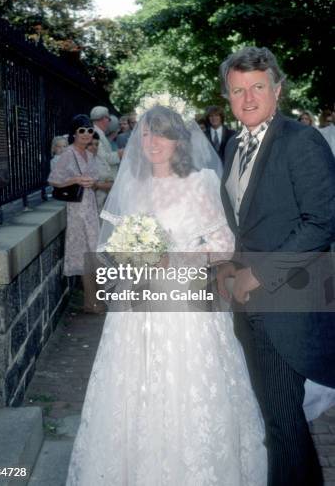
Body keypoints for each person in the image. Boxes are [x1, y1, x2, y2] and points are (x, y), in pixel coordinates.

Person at [66, 102, 267, 485]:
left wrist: (173, 259)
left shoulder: (202, 183)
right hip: (135, 310)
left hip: (186, 308)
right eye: (145, 132)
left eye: (161, 133)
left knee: (185, 397)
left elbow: (225, 245)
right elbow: (112, 247)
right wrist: (131, 255)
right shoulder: (132, 186)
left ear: (178, 139)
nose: (151, 141)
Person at [217, 46, 335, 486]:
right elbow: (244, 225)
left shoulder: (301, 141)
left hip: (289, 308)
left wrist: (258, 274)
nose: (248, 99)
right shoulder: (232, 145)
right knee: (280, 425)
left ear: (278, 90)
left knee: (283, 428)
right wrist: (230, 268)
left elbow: (320, 223)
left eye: (258, 88)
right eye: (237, 91)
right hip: (250, 309)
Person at [48, 114, 104, 314]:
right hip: (76, 210)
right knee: (84, 256)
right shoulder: (68, 154)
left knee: (93, 255)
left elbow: (96, 180)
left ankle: (92, 300)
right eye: (82, 130)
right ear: (74, 133)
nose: (86, 134)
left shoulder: (89, 155)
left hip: (90, 208)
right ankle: (91, 302)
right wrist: (75, 180)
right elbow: (54, 180)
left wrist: (92, 183)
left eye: (90, 130)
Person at [90, 106, 123, 178]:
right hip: (102, 179)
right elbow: (103, 158)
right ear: (104, 119)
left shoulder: (98, 133)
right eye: (109, 119)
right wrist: (119, 154)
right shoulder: (96, 134)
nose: (109, 121)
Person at [87, 132, 114, 213]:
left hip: (103, 206)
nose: (94, 147)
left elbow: (112, 184)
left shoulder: (100, 159)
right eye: (90, 144)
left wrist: (98, 185)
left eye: (96, 144)